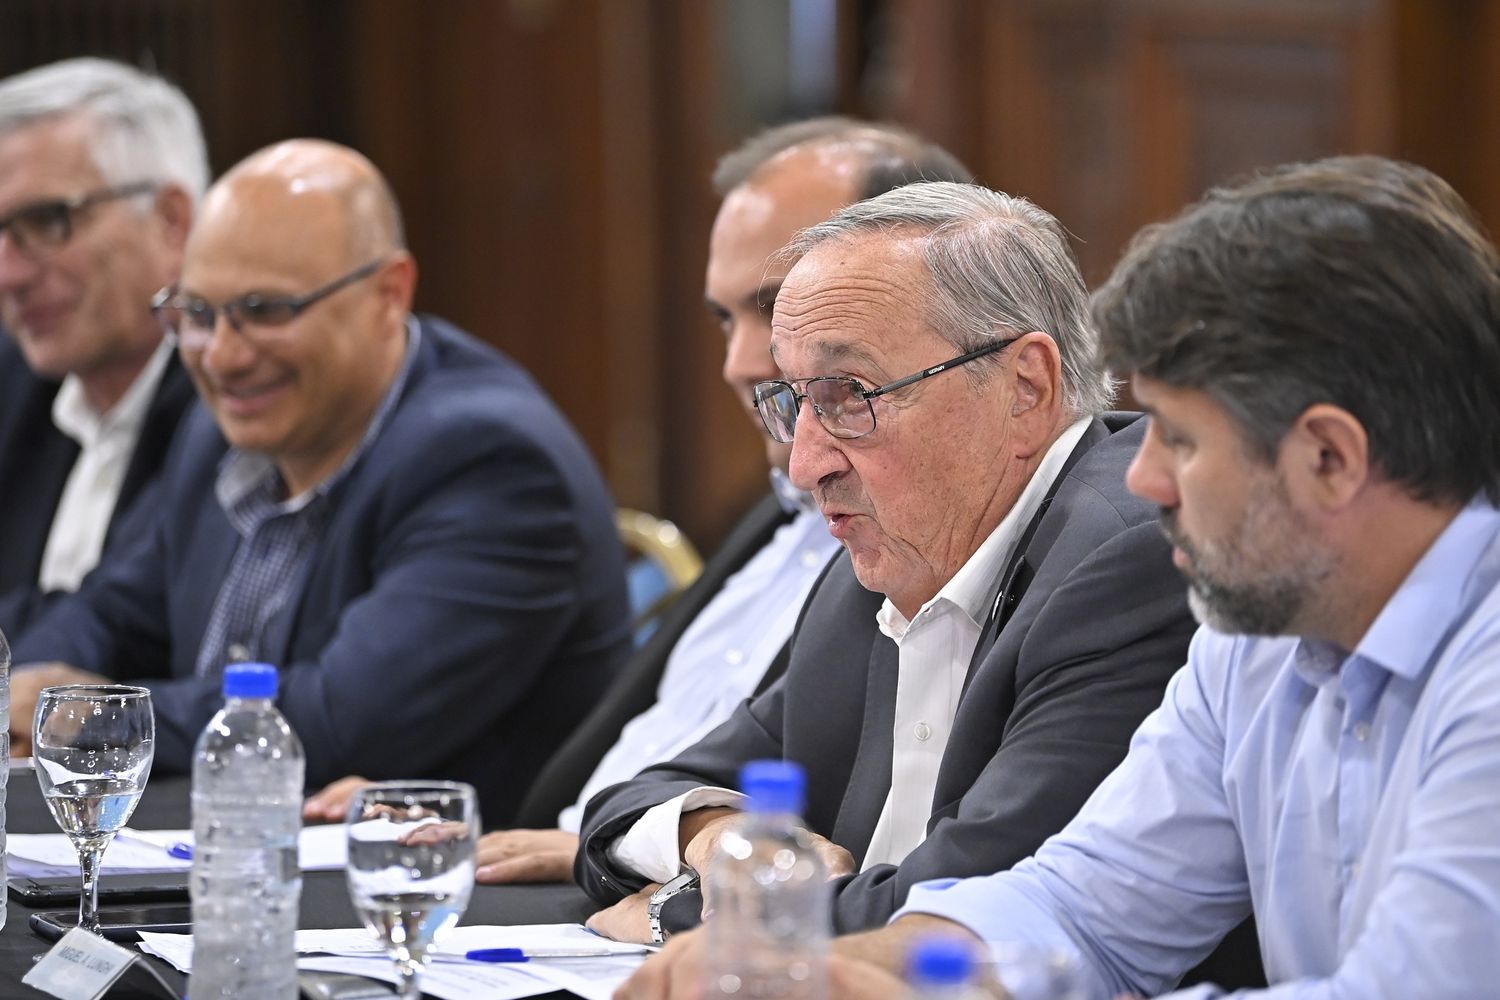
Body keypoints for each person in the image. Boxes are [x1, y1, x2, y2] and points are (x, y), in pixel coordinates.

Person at [669, 155, 1500, 1000]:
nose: (1143, 479)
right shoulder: (1255, 648)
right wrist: (827, 972)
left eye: (1179, 439)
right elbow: (1078, 906)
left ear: (1329, 457)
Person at [302, 116, 973, 884]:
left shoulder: (919, 545)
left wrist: (619, 854)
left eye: (779, 307)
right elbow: (642, 771)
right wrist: (486, 821)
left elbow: (838, 834)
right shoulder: (768, 519)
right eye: (726, 318)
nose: (739, 362)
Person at [578, 180, 1199, 945]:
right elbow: (634, 798)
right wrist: (714, 838)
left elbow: (968, 902)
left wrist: (675, 911)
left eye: (850, 396)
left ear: (1026, 387)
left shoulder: (1124, 559)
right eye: (793, 399)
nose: (805, 466)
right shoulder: (882, 560)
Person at [7, 139, 632, 826]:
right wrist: (27, 689)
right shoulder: (221, 427)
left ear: (388, 293)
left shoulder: (494, 463)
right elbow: (112, 613)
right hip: (224, 862)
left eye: (266, 310)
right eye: (197, 314)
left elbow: (338, 723)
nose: (223, 355)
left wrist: (91, 719)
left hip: (424, 901)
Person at [0, 58, 204, 635]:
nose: (8, 275)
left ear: (171, 221)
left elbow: (112, 629)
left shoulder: (236, 395)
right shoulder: (11, 383)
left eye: (47, 221)